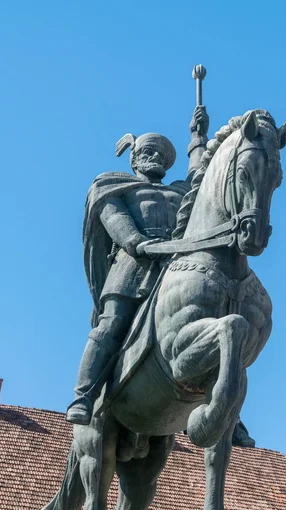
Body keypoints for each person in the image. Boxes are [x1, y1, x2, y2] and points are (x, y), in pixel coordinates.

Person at [66, 106, 210, 425]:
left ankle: (224, 405)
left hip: (175, 267)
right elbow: (114, 218)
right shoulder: (113, 185)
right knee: (111, 325)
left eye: (161, 152)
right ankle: (84, 395)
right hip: (131, 267)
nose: (155, 156)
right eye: (148, 150)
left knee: (206, 317)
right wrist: (136, 241)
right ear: (134, 159)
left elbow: (200, 175)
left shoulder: (179, 192)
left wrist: (198, 138)